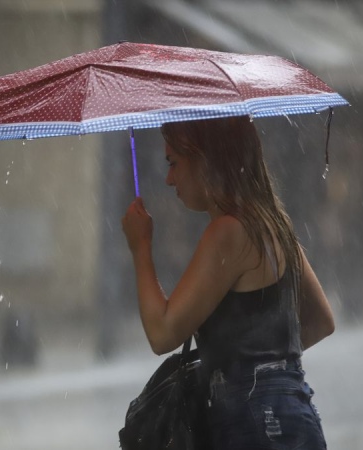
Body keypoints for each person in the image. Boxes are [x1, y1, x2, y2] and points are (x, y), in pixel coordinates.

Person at [122, 116, 335, 449]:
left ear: (205, 158)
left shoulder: (227, 232)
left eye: (173, 163)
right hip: (296, 417)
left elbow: (162, 333)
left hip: (250, 424)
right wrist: (267, 369)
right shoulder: (274, 224)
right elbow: (321, 322)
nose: (168, 178)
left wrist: (140, 248)